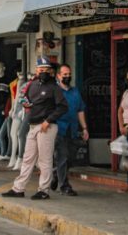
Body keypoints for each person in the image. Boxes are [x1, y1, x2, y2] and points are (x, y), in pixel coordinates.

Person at [2, 56, 68, 200]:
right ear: (36, 70)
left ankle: (44, 190)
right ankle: (18, 188)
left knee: (45, 160)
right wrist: (26, 105)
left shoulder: (54, 87)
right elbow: (24, 99)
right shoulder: (32, 85)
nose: (43, 71)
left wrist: (48, 120)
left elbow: (63, 107)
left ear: (50, 71)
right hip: (33, 124)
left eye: (46, 69)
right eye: (41, 69)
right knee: (27, 158)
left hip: (47, 127)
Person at [52, 64, 89, 196]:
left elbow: (80, 110)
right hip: (59, 128)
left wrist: (84, 128)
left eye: (69, 74)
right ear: (58, 76)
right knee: (63, 156)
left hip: (73, 129)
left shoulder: (75, 91)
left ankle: (56, 173)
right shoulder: (55, 91)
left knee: (71, 158)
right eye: (65, 75)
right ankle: (64, 186)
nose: (67, 77)